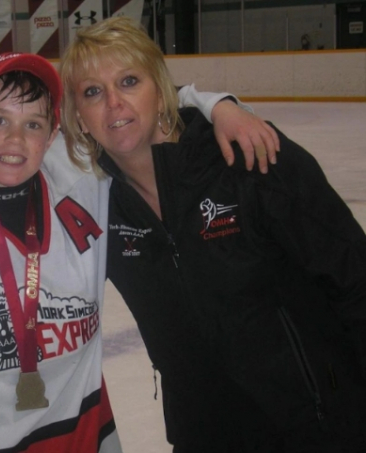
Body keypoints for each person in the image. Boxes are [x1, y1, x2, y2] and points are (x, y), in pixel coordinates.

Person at [0, 52, 282, 452]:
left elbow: (134, 109)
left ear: (52, 135)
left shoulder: (79, 181)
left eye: (33, 124)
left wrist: (219, 106)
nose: (16, 139)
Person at [60, 17, 366, 453]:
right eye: (92, 91)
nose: (113, 103)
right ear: (78, 116)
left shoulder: (249, 160)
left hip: (317, 430)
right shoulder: (99, 209)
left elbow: (355, 280)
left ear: (159, 89)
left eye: (129, 81)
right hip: (204, 438)